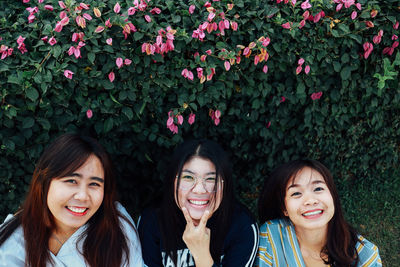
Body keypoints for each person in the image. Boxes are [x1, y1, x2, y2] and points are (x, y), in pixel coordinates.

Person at [0, 133, 143, 267]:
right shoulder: (12, 243)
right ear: (45, 182)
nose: (82, 196)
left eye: (94, 184)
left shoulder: (117, 228)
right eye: (71, 181)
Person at [138, 139, 258, 267]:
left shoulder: (242, 225)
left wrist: (202, 255)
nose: (199, 190)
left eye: (211, 178)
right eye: (188, 177)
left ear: (224, 185)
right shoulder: (152, 220)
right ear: (172, 182)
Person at [256, 159, 382, 267]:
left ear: (332, 195)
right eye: (296, 193)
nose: (310, 201)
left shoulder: (365, 256)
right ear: (284, 208)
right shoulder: (270, 237)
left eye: (318, 189)